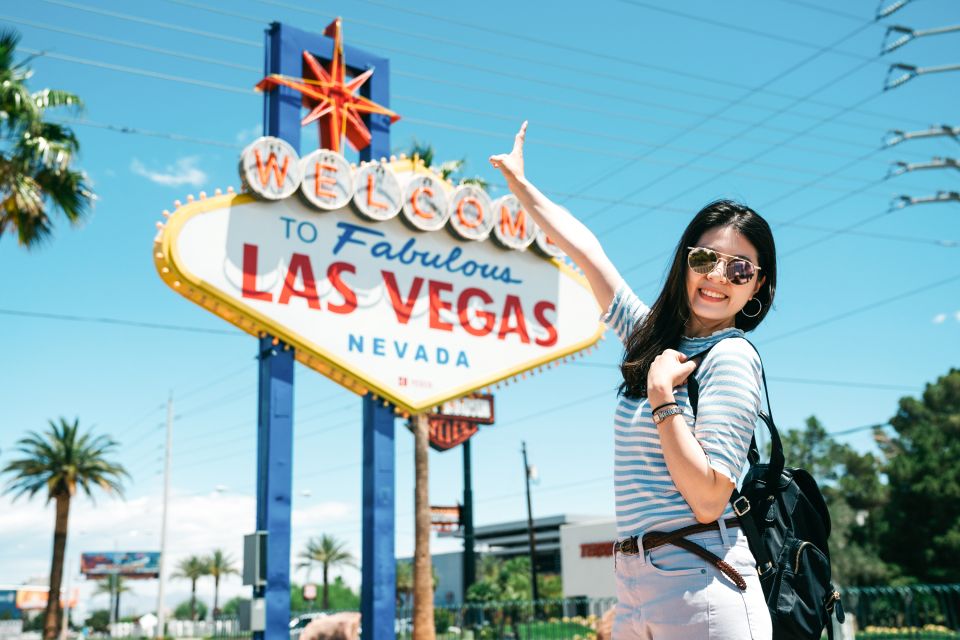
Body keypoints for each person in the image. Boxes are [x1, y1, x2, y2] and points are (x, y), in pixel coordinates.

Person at [490, 122, 776, 639]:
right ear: (685, 262)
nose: (716, 277)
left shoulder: (730, 356)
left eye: (739, 270)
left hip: (703, 579)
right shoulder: (650, 342)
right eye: (705, 259)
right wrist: (521, 186)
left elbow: (710, 498)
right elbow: (587, 252)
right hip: (634, 583)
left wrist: (663, 396)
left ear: (756, 287)